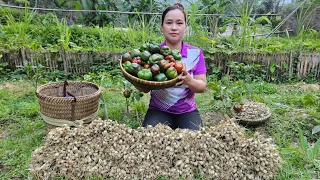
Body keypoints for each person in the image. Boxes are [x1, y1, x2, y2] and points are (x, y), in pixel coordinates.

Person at [136, 2, 207, 130]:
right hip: (158, 110)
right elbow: (145, 89)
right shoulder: (153, 54)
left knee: (194, 141)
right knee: (151, 138)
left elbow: (202, 87)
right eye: (169, 23)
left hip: (187, 111)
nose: (174, 27)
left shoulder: (195, 54)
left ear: (185, 26)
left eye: (179, 23)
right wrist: (135, 79)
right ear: (162, 27)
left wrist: (189, 81)